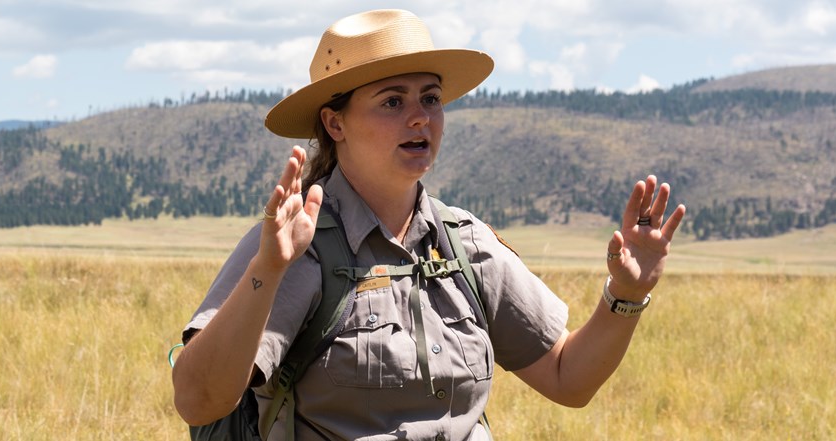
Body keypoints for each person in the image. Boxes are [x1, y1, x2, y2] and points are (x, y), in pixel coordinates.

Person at [172, 9, 685, 440]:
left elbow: (567, 378)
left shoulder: (465, 243)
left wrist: (625, 294)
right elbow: (198, 400)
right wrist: (267, 269)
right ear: (335, 123)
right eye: (393, 101)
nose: (420, 117)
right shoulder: (297, 244)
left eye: (431, 98)